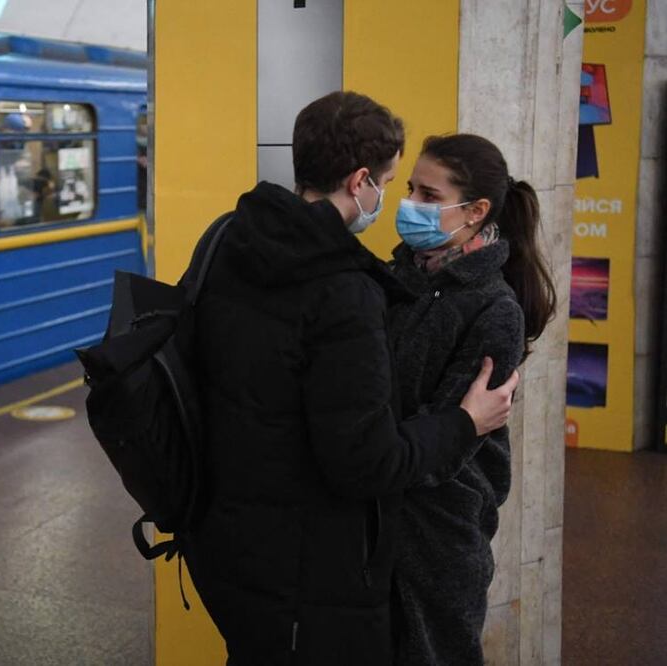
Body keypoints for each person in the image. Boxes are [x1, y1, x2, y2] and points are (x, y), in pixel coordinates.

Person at [180, 91, 519, 665]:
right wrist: (466, 423)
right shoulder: (348, 289)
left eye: (424, 194)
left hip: (235, 540)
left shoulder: (228, 237)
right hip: (313, 558)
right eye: (397, 184)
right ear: (362, 180)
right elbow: (366, 459)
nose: (402, 202)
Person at [387, 134, 556, 665]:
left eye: (429, 195)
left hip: (439, 538)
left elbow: (449, 438)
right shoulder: (401, 277)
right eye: (411, 187)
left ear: (477, 211)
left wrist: (365, 445)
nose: (410, 202)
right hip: (381, 518)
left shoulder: (494, 310)